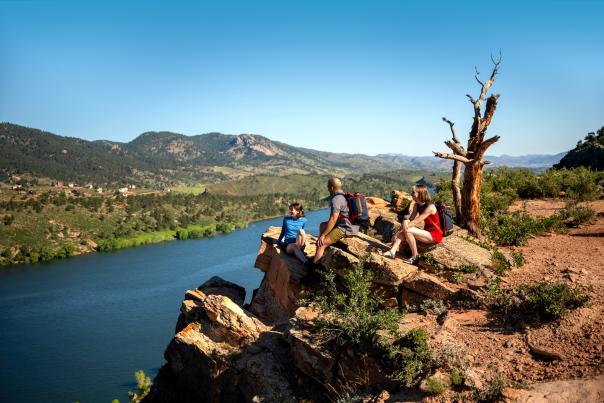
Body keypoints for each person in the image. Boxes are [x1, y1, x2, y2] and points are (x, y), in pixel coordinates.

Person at [380, 184, 442, 264]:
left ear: (420, 193)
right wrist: (399, 230)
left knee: (408, 229)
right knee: (406, 224)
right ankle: (392, 251)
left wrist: (399, 231)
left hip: (435, 235)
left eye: (413, 192)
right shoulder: (417, 205)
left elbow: (416, 221)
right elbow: (411, 219)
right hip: (426, 233)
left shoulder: (430, 207)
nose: (411, 194)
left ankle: (415, 256)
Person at [311, 177, 359, 265]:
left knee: (321, 244)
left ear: (332, 188)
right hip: (349, 224)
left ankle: (314, 266)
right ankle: (319, 255)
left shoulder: (336, 200)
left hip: (345, 228)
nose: (328, 189)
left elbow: (333, 220)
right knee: (322, 225)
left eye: (328, 187)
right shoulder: (343, 195)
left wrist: (323, 235)